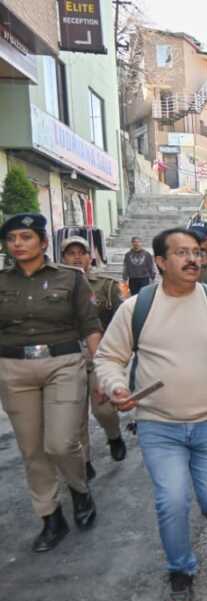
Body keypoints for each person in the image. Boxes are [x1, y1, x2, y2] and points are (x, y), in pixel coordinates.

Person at [95, 227, 207, 601]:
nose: (192, 259)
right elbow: (108, 358)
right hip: (159, 425)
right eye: (181, 253)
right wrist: (116, 386)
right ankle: (180, 570)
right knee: (171, 501)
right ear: (159, 261)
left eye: (196, 252)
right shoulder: (137, 308)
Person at [0, 214, 101, 552]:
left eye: (26, 237)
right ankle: (50, 517)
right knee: (32, 449)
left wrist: (101, 371)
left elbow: (90, 326)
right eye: (12, 238)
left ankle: (79, 489)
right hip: (14, 369)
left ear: (43, 242)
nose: (18, 243)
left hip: (63, 364)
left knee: (60, 443)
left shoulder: (70, 278)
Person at [61, 236, 127, 477]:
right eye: (71, 253)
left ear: (91, 256)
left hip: (99, 355)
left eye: (81, 252)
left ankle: (114, 435)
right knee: (75, 417)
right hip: (68, 358)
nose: (77, 257)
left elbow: (120, 320)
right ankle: (84, 461)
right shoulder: (56, 286)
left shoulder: (106, 285)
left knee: (104, 410)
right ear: (63, 258)